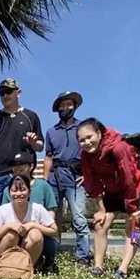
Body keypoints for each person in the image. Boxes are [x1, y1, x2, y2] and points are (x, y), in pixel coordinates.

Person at [78, 117, 140, 279]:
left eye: (89, 137)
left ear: (99, 133)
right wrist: (101, 209)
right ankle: (98, 267)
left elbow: (129, 179)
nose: (86, 142)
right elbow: (92, 184)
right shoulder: (85, 155)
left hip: (139, 184)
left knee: (134, 226)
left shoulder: (119, 148)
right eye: (82, 140)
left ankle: (123, 269)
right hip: (114, 186)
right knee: (100, 224)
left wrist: (134, 210)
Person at [0, 78, 43, 213]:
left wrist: (33, 142)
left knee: (22, 213)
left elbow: (40, 146)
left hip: (21, 174)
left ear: (18, 93)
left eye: (8, 92)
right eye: (2, 93)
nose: (5, 96)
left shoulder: (30, 116)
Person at [43, 90, 92, 266]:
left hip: (75, 178)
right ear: (57, 109)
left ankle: (83, 256)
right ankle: (50, 254)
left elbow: (91, 153)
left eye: (69, 104)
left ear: (75, 106)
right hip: (55, 178)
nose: (66, 108)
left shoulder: (83, 129)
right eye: (62, 105)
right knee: (50, 218)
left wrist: (87, 175)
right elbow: (48, 157)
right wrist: (44, 181)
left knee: (79, 217)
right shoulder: (51, 132)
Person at [0, 151, 58, 272]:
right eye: (14, 165)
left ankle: (34, 265)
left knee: (42, 239)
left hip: (38, 230)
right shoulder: (8, 190)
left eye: (21, 164)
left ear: (31, 166)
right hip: (16, 230)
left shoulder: (43, 185)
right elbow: (3, 215)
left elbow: (51, 210)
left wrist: (39, 226)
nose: (17, 168)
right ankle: (9, 264)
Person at [0, 175, 58, 273]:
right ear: (9, 192)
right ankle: (5, 267)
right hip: (4, 249)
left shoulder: (38, 209)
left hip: (28, 246)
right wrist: (8, 226)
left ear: (29, 191)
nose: (18, 194)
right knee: (10, 235)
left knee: (36, 234)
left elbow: (54, 230)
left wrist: (33, 225)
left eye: (23, 190)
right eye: (14, 190)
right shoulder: (2, 210)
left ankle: (28, 268)